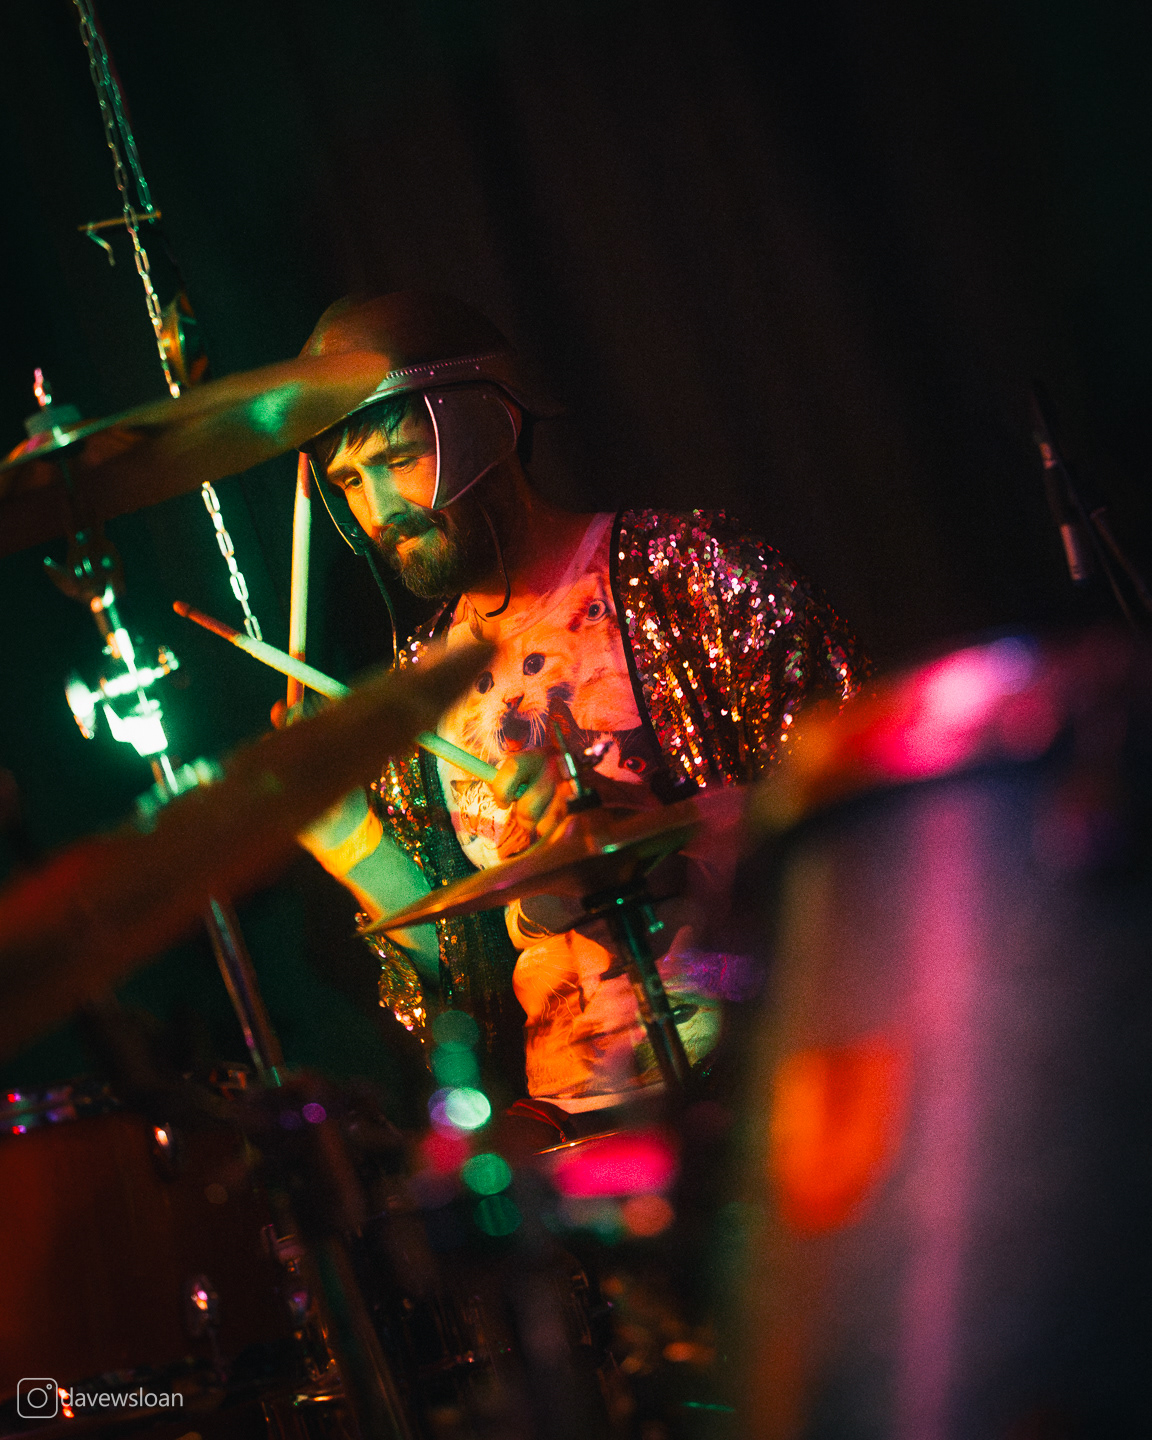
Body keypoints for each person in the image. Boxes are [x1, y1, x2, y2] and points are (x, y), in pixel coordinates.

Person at [292, 291, 865, 1141]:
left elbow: (850, 818)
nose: (379, 511)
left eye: (399, 458)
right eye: (348, 482)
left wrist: (630, 826)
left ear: (491, 425)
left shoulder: (685, 575)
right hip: (567, 1123)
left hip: (756, 1079)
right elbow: (462, 968)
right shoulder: (418, 688)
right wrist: (346, 835)